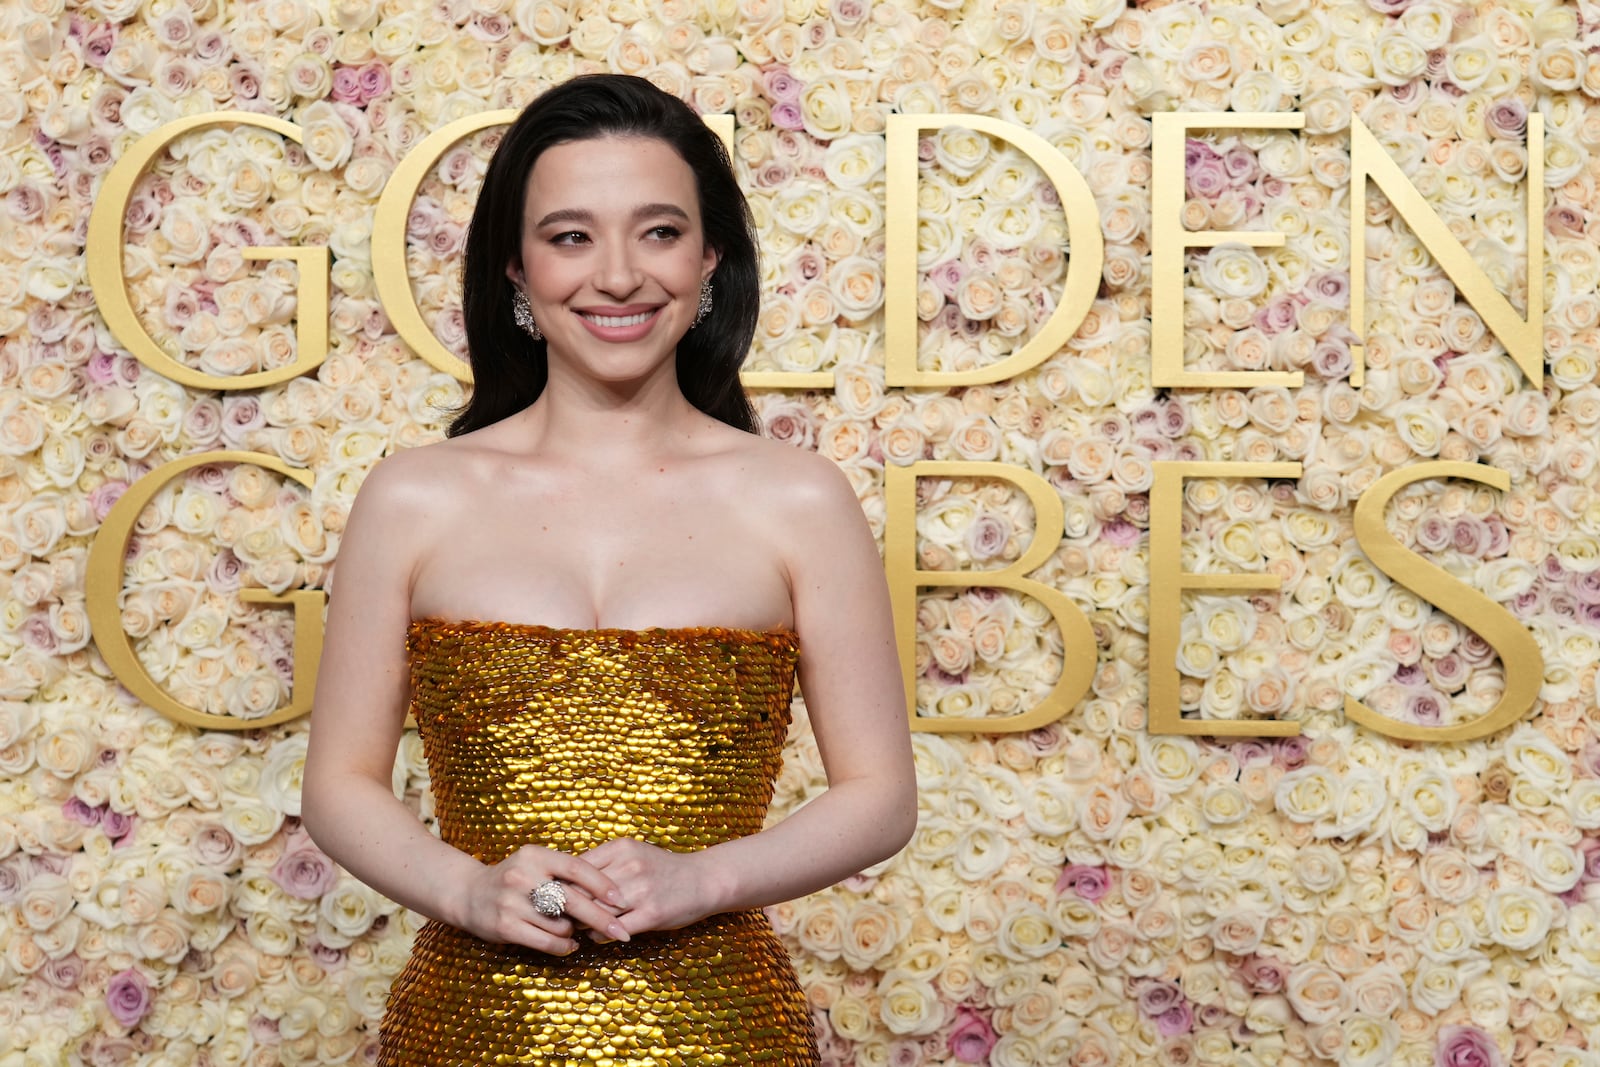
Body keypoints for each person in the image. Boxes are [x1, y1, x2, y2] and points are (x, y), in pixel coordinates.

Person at [300, 74, 917, 1065]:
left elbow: (880, 794)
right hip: (467, 1027)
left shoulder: (798, 499)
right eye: (572, 235)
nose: (620, 276)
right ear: (514, 264)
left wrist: (701, 879)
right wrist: (469, 889)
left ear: (712, 255)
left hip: (722, 1030)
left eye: (660, 232)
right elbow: (338, 782)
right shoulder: (414, 495)